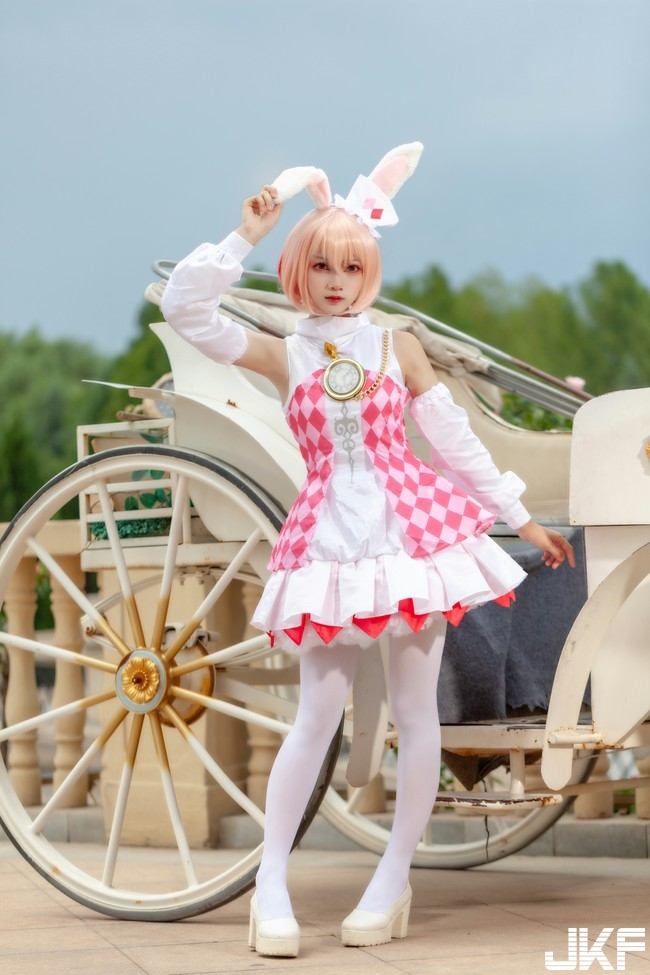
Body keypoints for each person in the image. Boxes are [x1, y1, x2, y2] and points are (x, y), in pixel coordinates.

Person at [160, 143, 575, 958]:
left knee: (417, 714)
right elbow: (187, 309)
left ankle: (392, 877)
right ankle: (270, 881)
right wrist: (246, 234)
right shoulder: (284, 352)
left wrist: (519, 517)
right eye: (322, 265)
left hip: (411, 532)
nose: (338, 281)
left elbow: (453, 442)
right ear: (298, 270)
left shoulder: (399, 345)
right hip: (327, 540)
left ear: (371, 269)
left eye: (352, 266)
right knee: (317, 713)